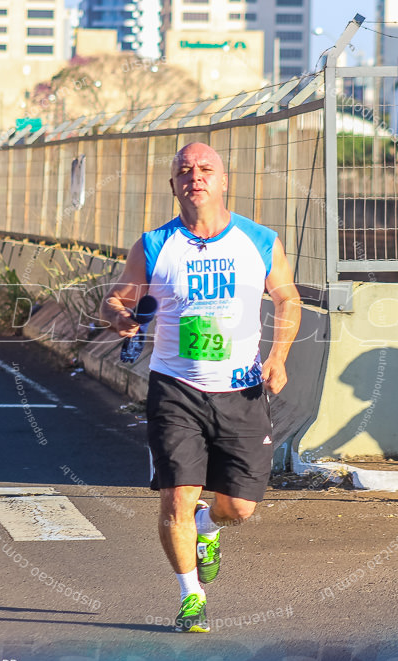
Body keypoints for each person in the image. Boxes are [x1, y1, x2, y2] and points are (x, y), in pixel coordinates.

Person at [100, 142, 301, 633]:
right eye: (184, 170)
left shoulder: (258, 240)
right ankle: (192, 596)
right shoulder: (152, 245)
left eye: (206, 168)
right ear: (173, 185)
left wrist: (278, 355)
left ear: (224, 179)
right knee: (177, 497)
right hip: (176, 389)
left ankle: (209, 529)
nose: (196, 177)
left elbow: (287, 299)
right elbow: (115, 300)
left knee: (240, 508)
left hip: (242, 391)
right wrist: (120, 318)